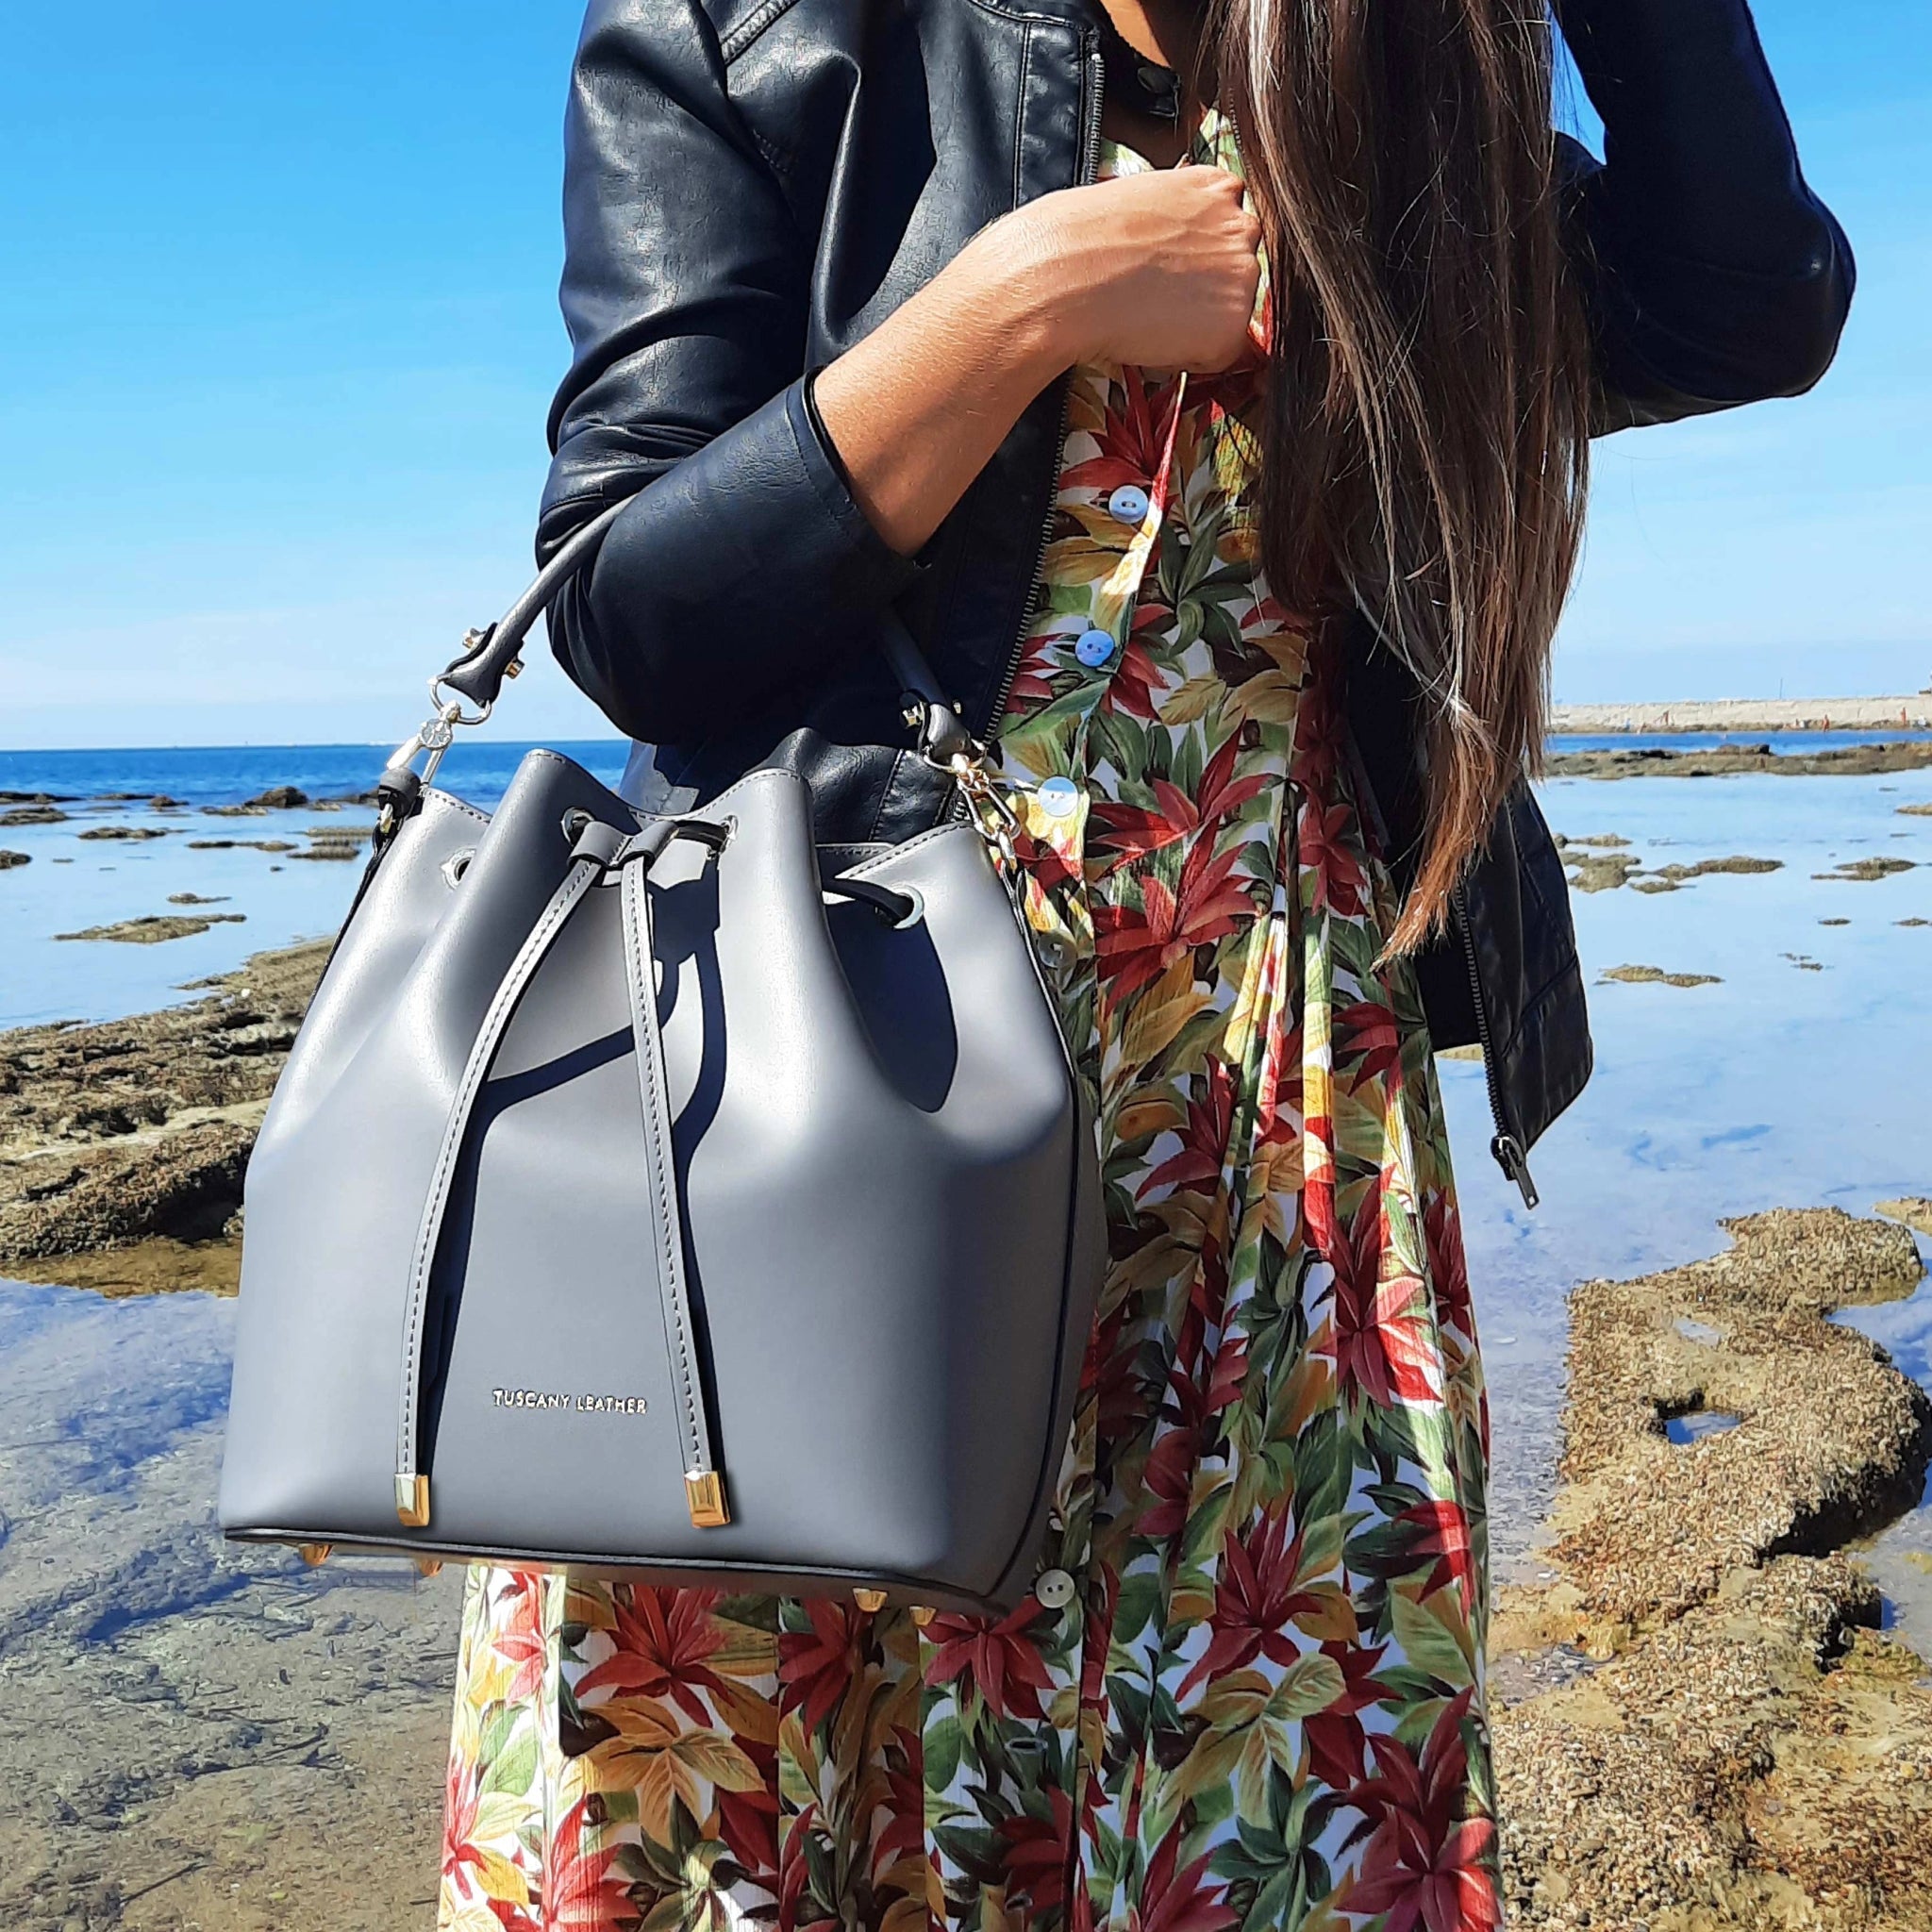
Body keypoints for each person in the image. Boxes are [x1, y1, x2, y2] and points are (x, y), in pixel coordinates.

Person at [437, 0, 1850, 1923]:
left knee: (1267, 1824)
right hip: (819, 1096)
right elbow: (631, 604)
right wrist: (1026, 297)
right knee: (750, 1808)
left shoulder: (1387, 70)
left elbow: (1743, 303)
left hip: (1272, 1121)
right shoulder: (753, 24)